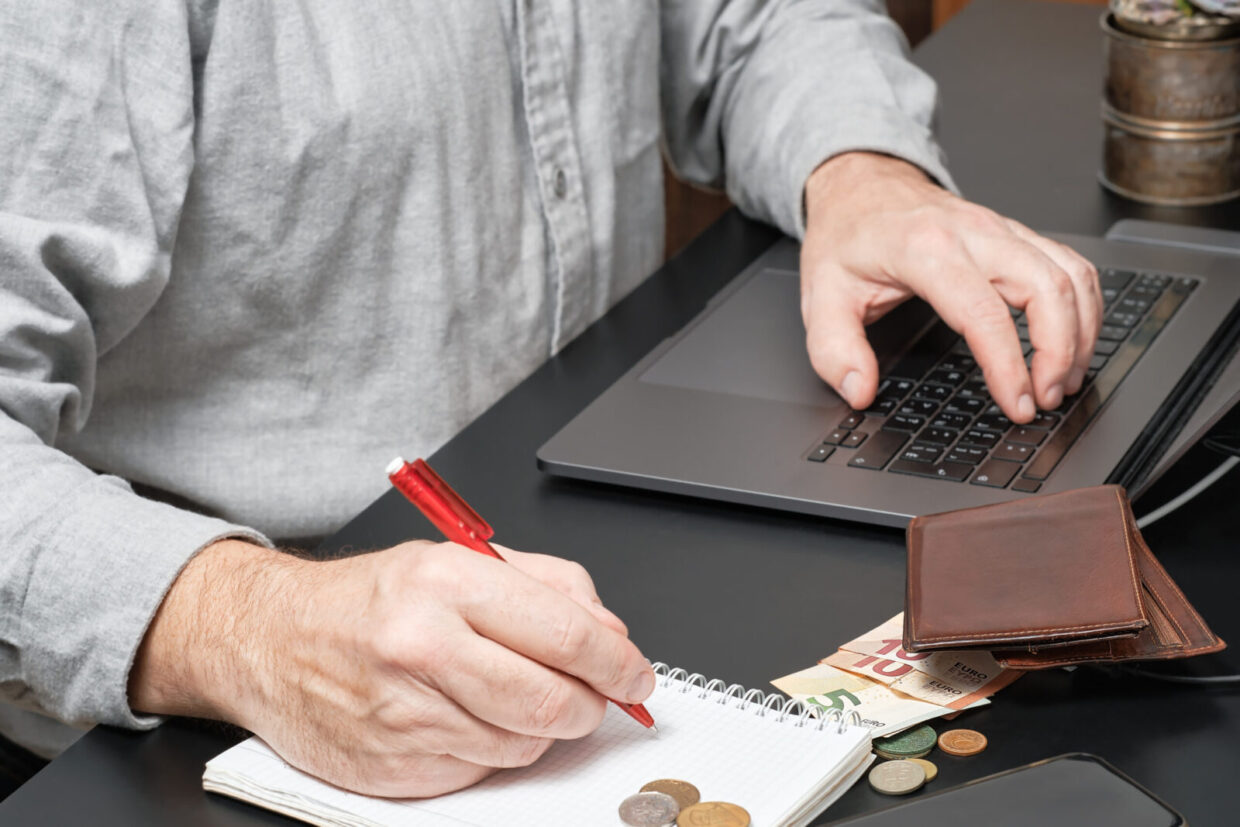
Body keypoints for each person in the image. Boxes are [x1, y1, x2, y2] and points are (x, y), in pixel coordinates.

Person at [0, 0, 1100, 801]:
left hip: (591, 552)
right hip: (225, 708)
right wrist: (239, 625)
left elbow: (752, 20)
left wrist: (861, 171)